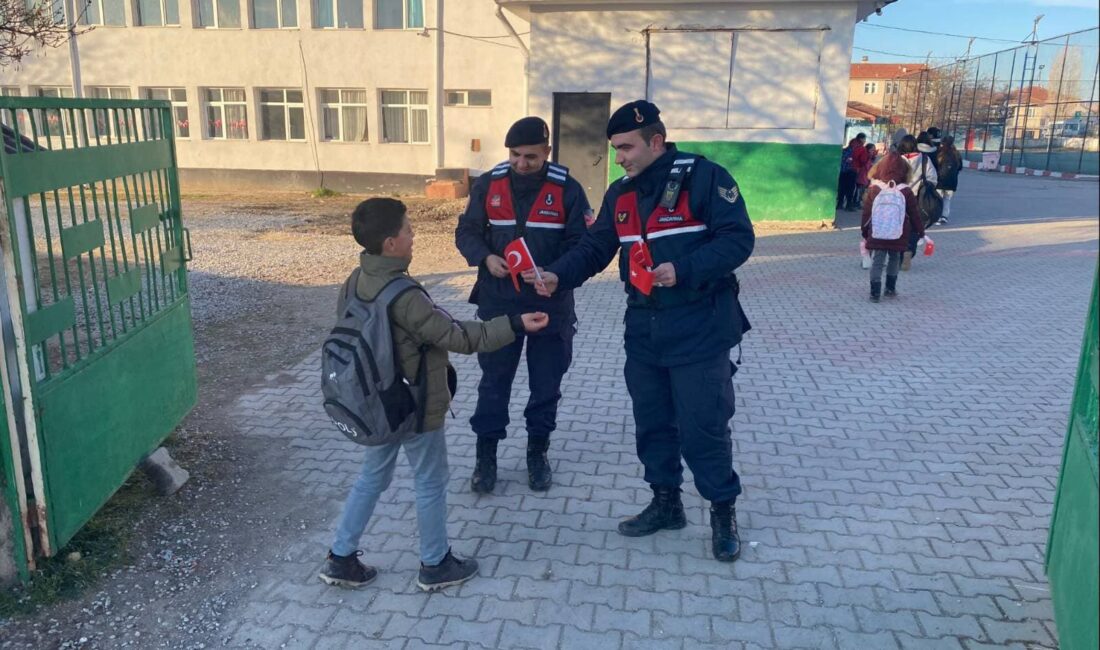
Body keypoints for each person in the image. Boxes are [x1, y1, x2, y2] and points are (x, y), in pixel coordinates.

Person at [525, 100, 754, 562]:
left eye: (626, 147)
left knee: (704, 427)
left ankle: (722, 511)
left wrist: (684, 268)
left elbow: (738, 239)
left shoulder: (706, 178)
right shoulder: (620, 194)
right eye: (615, 150)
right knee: (652, 423)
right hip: (644, 329)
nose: (620, 157)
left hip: (699, 325)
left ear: (655, 141)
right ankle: (666, 504)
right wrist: (556, 275)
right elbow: (595, 248)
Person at [320, 198, 549, 591]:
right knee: (430, 480)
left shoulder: (356, 279)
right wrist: (514, 325)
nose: (414, 235)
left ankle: (340, 558)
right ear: (391, 243)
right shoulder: (405, 294)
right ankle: (435, 564)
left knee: (371, 477)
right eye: (408, 229)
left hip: (377, 403)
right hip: (413, 405)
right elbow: (457, 336)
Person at [454, 116, 589, 494]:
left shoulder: (568, 190)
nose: (521, 163)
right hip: (500, 303)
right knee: (494, 382)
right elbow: (466, 231)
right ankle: (486, 456)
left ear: (547, 152)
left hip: (550, 302)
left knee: (546, 385)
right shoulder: (489, 184)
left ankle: (537, 452)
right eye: (515, 154)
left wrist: (556, 272)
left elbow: (583, 245)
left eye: (530, 156)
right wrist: (484, 257)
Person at [862, 153, 925, 302]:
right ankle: (890, 289)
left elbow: (866, 213)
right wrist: (920, 231)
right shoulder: (905, 190)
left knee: (878, 260)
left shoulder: (875, 189)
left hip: (878, 231)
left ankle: (874, 293)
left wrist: (865, 231)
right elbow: (914, 214)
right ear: (904, 170)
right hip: (899, 232)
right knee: (894, 258)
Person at [897, 134, 937, 271]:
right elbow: (933, 179)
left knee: (897, 226)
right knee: (914, 227)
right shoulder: (925, 159)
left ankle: (896, 254)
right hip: (917, 198)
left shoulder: (896, 160)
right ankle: (909, 251)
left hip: (897, 198)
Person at [936, 135, 962, 224]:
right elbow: (960, 167)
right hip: (952, 182)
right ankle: (944, 216)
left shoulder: (939, 153)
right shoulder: (956, 154)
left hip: (940, 181)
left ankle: (937, 216)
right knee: (947, 200)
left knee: (938, 199)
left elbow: (935, 166)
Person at [855, 141, 877, 208]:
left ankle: (858, 203)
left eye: (874, 150)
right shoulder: (866, 156)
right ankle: (857, 203)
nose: (873, 151)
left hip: (865, 177)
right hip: (862, 176)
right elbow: (867, 167)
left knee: (862, 191)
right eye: (872, 149)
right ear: (868, 149)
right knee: (860, 191)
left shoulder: (870, 157)